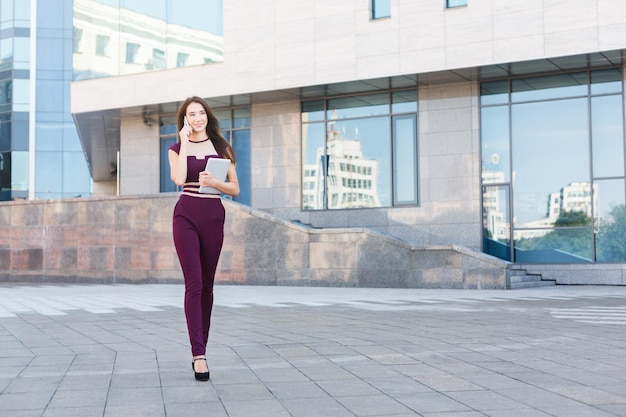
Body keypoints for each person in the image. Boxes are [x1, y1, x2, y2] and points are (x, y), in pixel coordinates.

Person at [168, 96, 240, 381]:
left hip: (213, 216)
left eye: (200, 113)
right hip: (185, 214)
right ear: (184, 120)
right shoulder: (176, 148)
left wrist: (215, 183)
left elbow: (234, 188)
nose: (196, 118)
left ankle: (202, 347)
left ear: (207, 116)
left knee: (208, 287)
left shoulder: (222, 147)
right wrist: (185, 141)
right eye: (190, 115)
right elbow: (178, 178)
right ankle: (199, 355)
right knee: (194, 283)